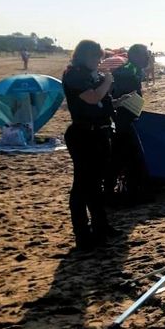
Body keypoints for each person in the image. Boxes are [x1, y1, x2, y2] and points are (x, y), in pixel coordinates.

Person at [62, 40, 120, 250]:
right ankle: (82, 233)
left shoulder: (90, 75)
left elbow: (100, 101)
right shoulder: (74, 74)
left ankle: (101, 226)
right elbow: (91, 97)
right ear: (84, 56)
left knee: (96, 184)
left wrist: (116, 103)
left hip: (100, 132)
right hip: (83, 135)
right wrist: (108, 81)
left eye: (100, 57)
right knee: (82, 186)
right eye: (96, 57)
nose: (99, 61)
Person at [109, 44, 149, 202]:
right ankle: (127, 192)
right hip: (124, 119)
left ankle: (128, 189)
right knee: (125, 156)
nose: (147, 58)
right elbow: (125, 96)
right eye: (145, 54)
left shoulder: (133, 70)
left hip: (127, 117)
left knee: (124, 156)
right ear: (136, 56)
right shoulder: (128, 71)